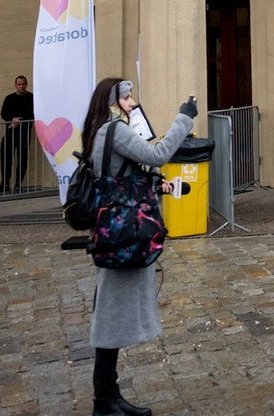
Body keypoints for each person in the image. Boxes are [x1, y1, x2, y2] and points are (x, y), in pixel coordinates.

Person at [81, 77, 196, 416]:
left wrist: (155, 185)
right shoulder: (114, 130)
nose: (133, 103)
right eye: (127, 97)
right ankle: (104, 401)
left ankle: (109, 395)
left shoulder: (103, 130)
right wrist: (184, 118)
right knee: (109, 317)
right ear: (113, 102)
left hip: (116, 231)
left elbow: (123, 178)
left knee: (112, 315)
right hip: (121, 234)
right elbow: (158, 154)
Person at [0, 74, 35, 192]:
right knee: (6, 158)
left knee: (22, 159)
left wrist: (19, 120)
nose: (21, 86)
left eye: (23, 84)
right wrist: (12, 119)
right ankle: (5, 183)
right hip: (10, 133)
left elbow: (33, 113)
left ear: (27, 84)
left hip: (24, 133)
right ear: (15, 85)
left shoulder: (31, 98)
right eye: (19, 84)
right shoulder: (9, 98)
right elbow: (4, 114)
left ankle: (18, 183)